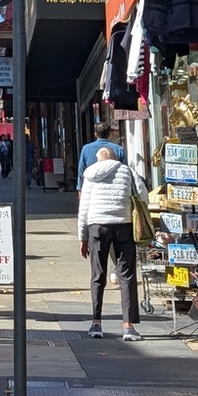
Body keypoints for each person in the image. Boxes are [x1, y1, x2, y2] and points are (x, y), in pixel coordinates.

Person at [77, 143, 143, 341]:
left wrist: (82, 236)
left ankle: (96, 323)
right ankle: (128, 326)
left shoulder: (90, 174)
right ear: (115, 158)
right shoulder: (127, 171)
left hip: (97, 227)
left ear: (99, 160)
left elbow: (84, 208)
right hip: (123, 224)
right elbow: (143, 197)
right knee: (126, 275)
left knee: (98, 274)